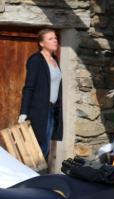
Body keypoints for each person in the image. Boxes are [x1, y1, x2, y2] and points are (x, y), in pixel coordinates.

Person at [19, 28, 63, 159]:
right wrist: (23, 112)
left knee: (46, 147)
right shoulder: (36, 60)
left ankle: (39, 177)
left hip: (52, 110)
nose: (55, 41)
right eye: (50, 39)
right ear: (41, 43)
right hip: (39, 110)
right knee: (37, 148)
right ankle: (32, 177)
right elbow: (29, 87)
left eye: (55, 38)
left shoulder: (55, 60)